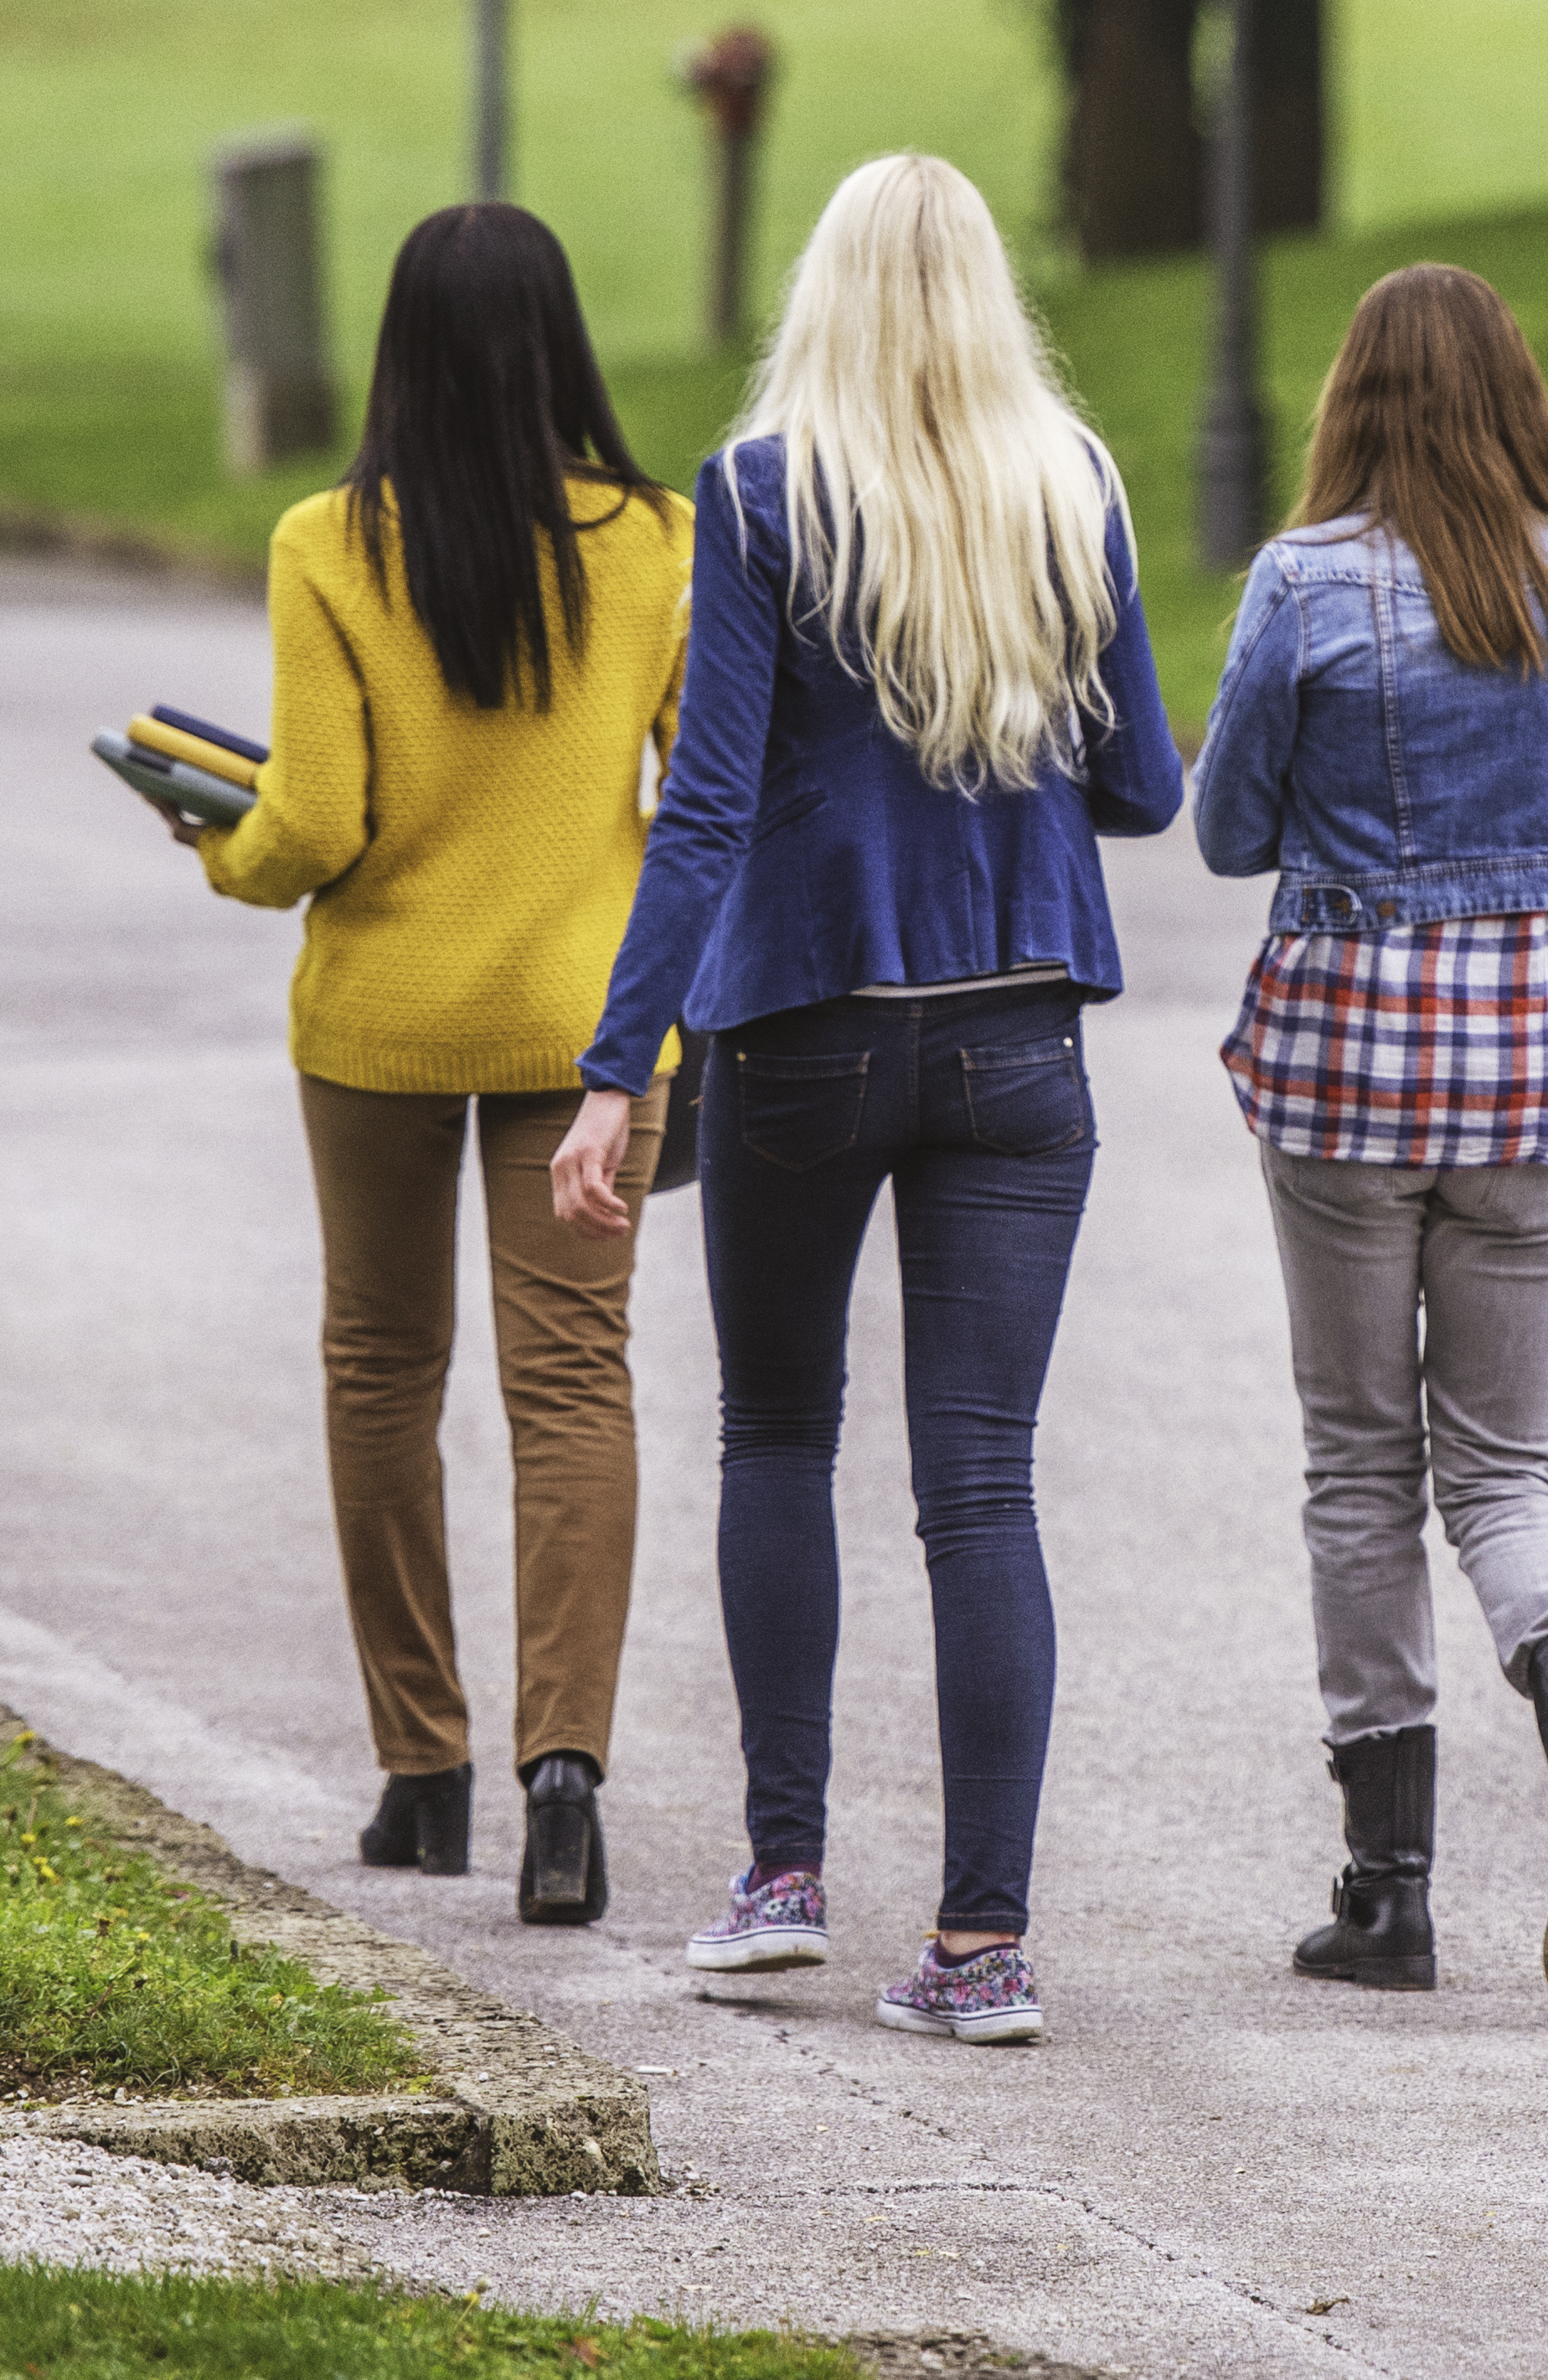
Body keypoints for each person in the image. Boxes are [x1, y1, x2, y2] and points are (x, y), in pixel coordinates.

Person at [550, 152, 1180, 2051]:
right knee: (982, 1488)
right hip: (1017, 1035)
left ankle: (782, 1878)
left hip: (805, 1032)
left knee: (777, 1435)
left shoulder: (763, 497)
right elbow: (1143, 784)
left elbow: (715, 804)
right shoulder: (1073, 488)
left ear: (820, 294)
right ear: (991, 299)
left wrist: (613, 1071)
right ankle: (984, 1948)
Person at [167, 203, 688, 1926]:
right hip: (590, 1029)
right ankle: (568, 1781)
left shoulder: (330, 541)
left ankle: (423, 1765)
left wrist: (216, 847)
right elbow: (701, 798)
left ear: (394, 347)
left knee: (382, 1367)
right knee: (574, 1384)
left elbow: (313, 822)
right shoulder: (661, 544)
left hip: (383, 1022)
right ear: (563, 342)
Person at [1194, 263, 1548, 2004]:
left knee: (1357, 1460)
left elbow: (1228, 828)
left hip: (1344, 1070)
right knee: (1505, 1466)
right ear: (1520, 394)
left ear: (1354, 400)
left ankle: (1387, 1889)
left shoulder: (1302, 584)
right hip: (1538, 1072)